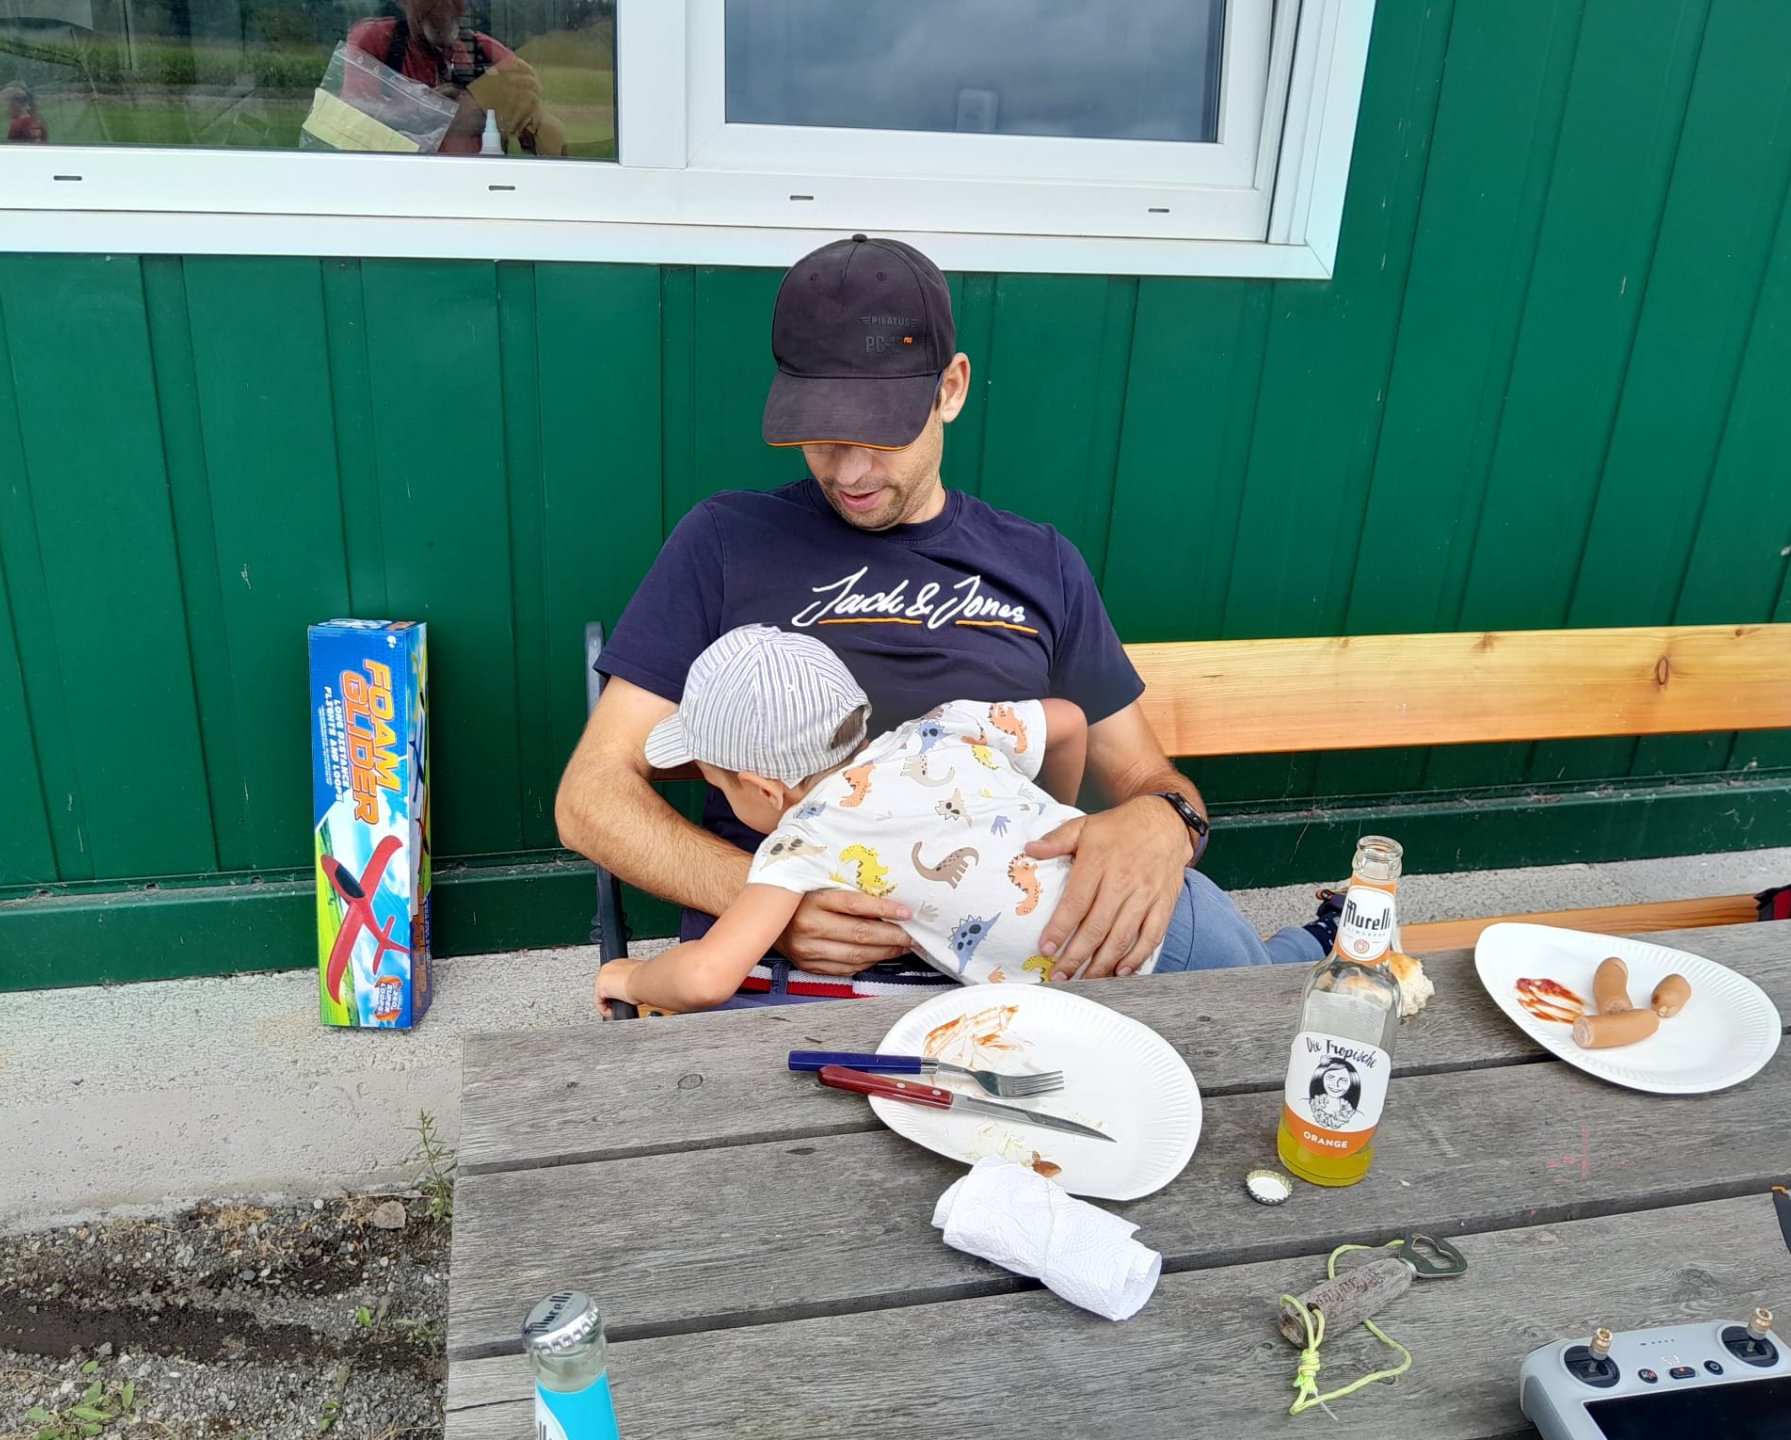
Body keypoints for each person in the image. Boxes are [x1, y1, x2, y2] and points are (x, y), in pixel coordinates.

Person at [557, 234, 1334, 1008]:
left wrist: (1163, 824)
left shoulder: (1042, 564)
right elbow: (590, 796)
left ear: (951, 389)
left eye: (879, 431)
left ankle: (1309, 946)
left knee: (1254, 1040)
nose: (849, 471)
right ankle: (1308, 947)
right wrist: (766, 899)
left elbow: (1144, 778)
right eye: (821, 435)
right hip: (792, 980)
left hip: (1030, 970)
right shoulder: (726, 541)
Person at [594, 624, 1098, 1015]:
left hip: (1094, 982)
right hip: (1127, 894)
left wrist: (629, 978)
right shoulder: (945, 725)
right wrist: (1048, 825)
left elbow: (706, 978)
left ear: (766, 790)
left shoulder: (802, 840)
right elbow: (1070, 721)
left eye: (720, 785)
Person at [345, 0, 565, 155]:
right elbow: (347, 124)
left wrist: (534, 118)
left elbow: (555, 151)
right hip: (400, 188)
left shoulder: (487, 53)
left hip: (475, 189)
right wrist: (426, 111)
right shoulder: (377, 43)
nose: (443, 4)